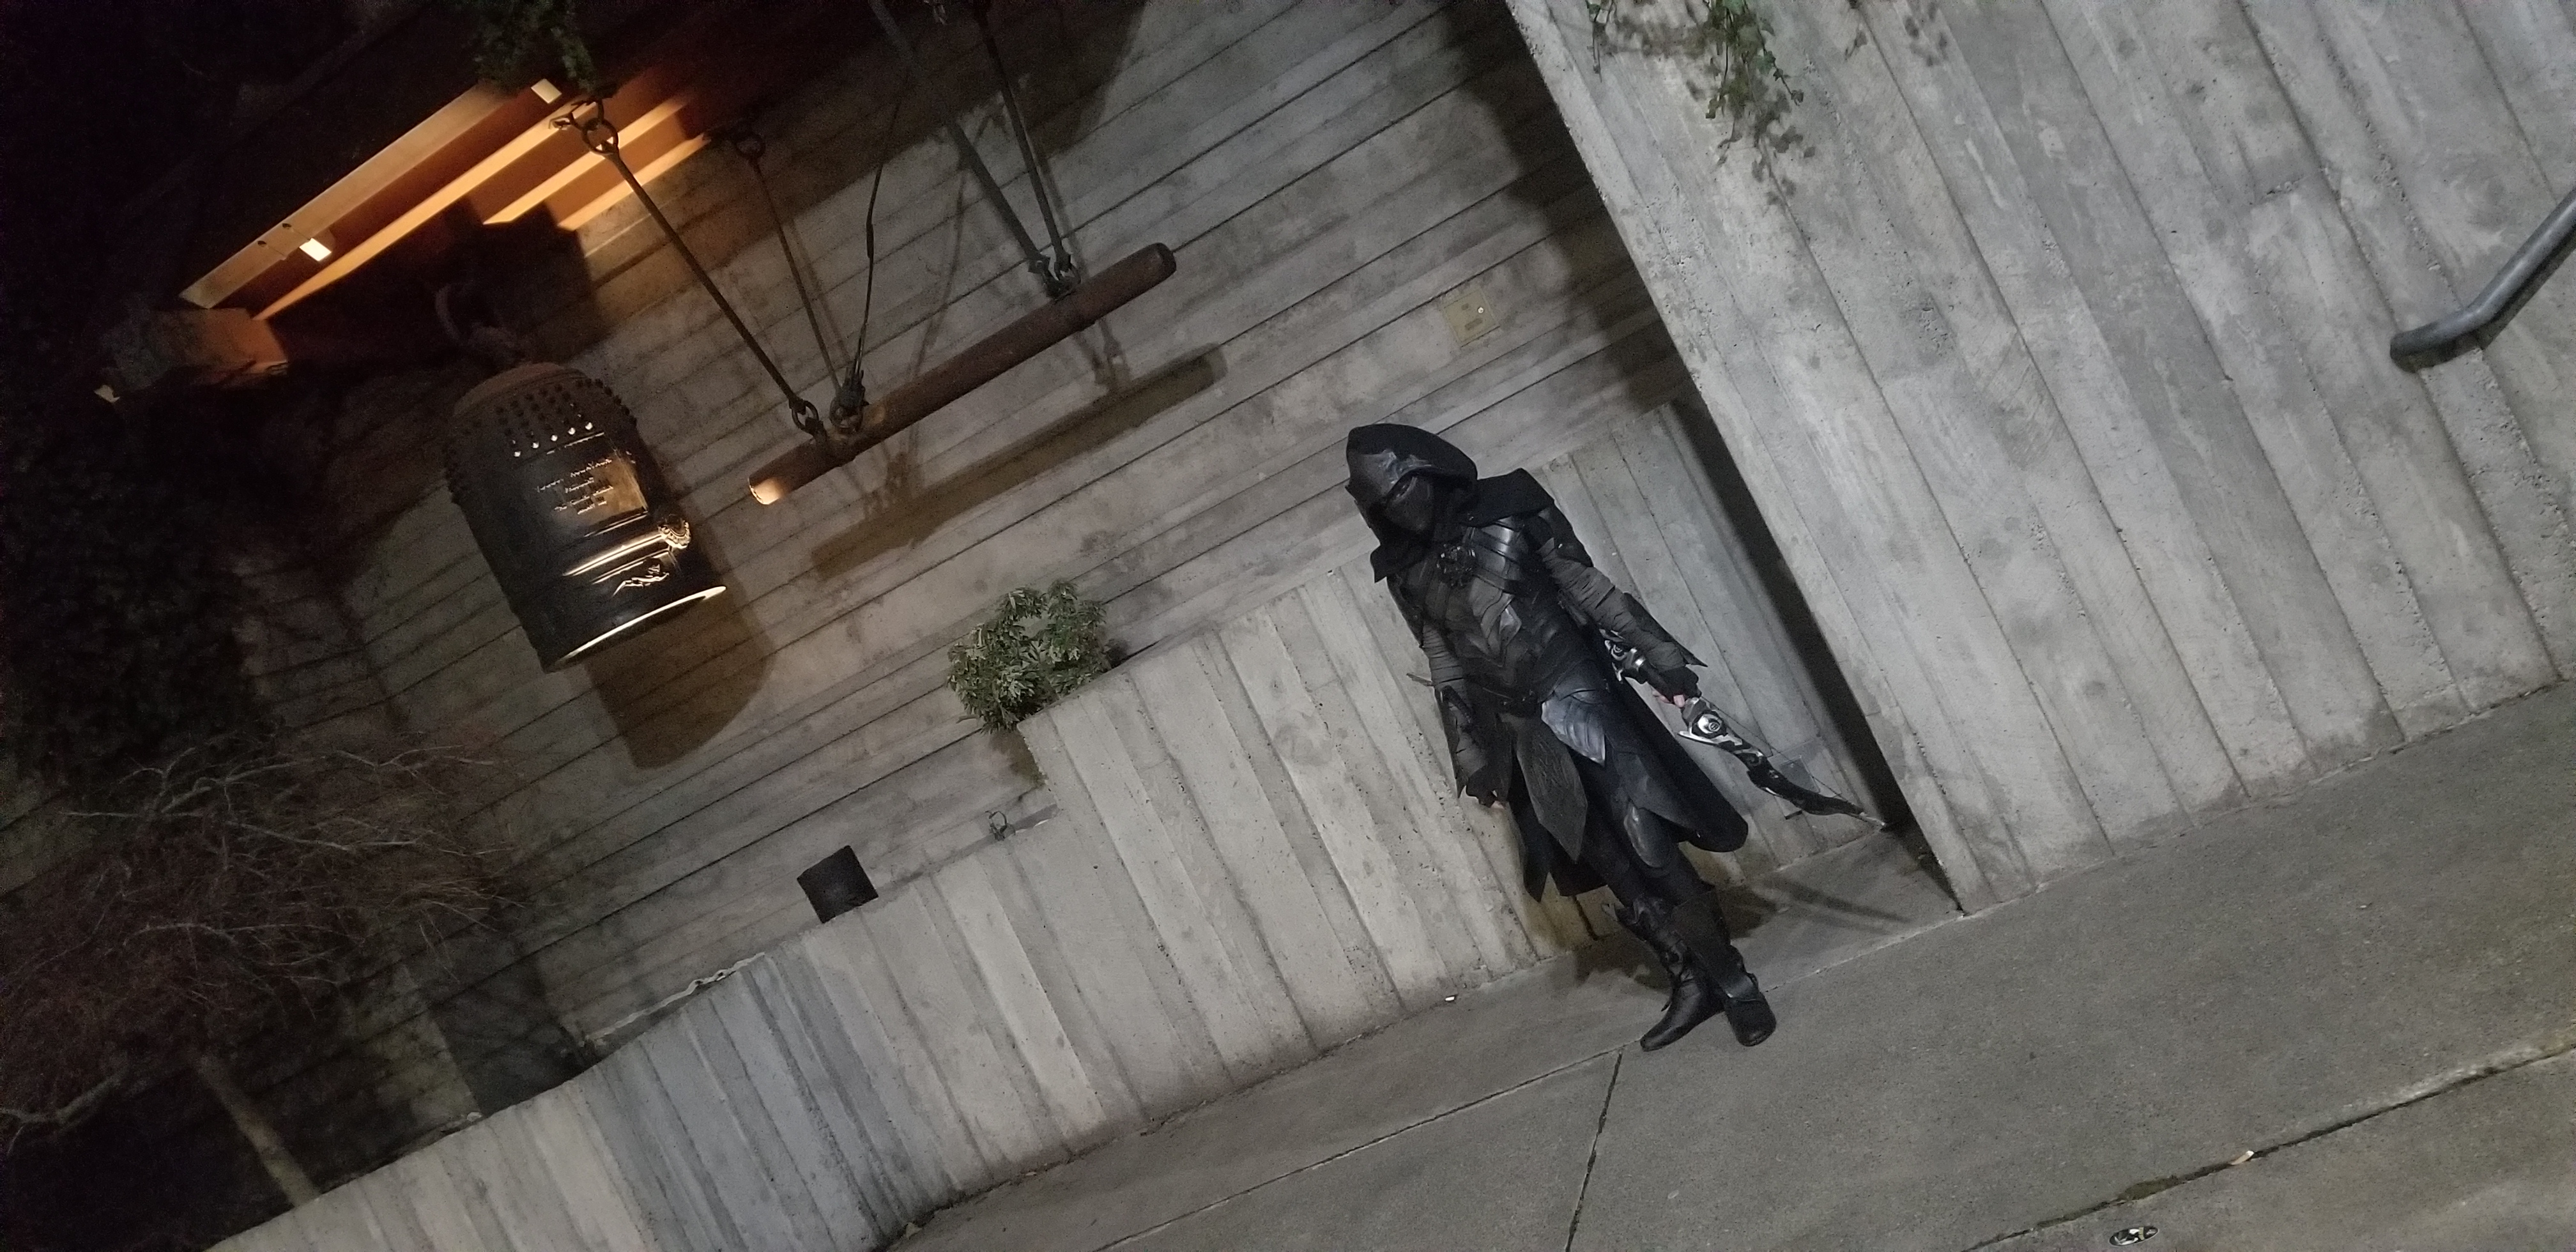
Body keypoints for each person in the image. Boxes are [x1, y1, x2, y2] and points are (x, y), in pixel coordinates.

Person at [1345, 424, 1774, 1048]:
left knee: (1650, 844)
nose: (1398, 507)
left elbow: (1588, 587)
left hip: (1584, 699)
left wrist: (1662, 659)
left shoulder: (1511, 505)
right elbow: (1444, 660)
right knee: (1611, 865)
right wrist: (1471, 754)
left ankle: (1733, 980)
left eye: (1403, 488)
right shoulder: (1404, 567)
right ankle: (1689, 980)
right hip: (1520, 733)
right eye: (1384, 502)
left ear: (1429, 470)